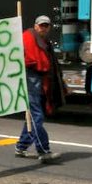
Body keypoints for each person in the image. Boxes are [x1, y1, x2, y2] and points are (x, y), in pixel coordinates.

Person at [16, 15, 62, 163]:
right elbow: (23, 58)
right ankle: (43, 150)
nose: (43, 28)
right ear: (35, 26)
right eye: (41, 25)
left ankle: (21, 146)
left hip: (38, 80)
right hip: (30, 78)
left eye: (46, 26)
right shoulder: (27, 37)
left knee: (32, 116)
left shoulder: (43, 41)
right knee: (37, 115)